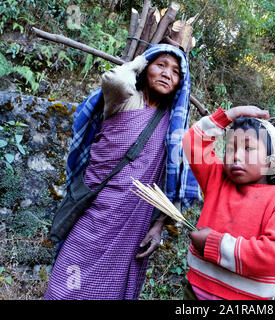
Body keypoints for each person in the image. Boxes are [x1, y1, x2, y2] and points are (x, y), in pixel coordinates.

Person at [44, 44, 200, 300]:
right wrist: (140, 61)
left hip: (132, 226)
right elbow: (115, 78)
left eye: (175, 72)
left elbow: (173, 182)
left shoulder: (174, 129)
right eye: (159, 65)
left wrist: (159, 226)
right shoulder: (125, 100)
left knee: (110, 290)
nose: (166, 74)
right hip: (94, 212)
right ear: (146, 66)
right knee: (64, 287)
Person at [181, 106, 275, 300]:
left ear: (270, 161)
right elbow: (192, 141)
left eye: (248, 148)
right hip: (194, 292)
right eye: (230, 148)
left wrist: (214, 245)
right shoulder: (217, 178)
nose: (236, 156)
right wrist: (230, 115)